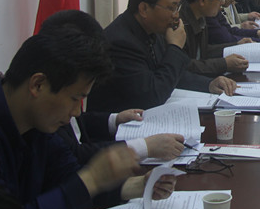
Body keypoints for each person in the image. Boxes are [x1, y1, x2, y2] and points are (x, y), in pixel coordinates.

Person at [0, 11, 177, 209]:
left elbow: (68, 180)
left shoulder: (36, 121)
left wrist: (137, 185)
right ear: (38, 85)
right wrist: (92, 179)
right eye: (75, 99)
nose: (76, 112)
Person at [39, 10, 185, 165]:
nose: (76, 111)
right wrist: (144, 147)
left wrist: (114, 120)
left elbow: (76, 124)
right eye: (171, 7)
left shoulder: (60, 96)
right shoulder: (43, 119)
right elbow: (75, 154)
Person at [87, 0, 236, 113]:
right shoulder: (121, 42)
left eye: (178, 7)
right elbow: (152, 96)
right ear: (144, 9)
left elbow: (175, 74)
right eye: (172, 8)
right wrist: (175, 48)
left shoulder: (153, 29)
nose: (176, 15)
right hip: (121, 125)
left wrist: (209, 84)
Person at [180, 0, 250, 76]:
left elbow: (203, 51)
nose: (223, 2)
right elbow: (185, 65)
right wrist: (224, 64)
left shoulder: (200, 15)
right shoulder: (180, 23)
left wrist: (236, 45)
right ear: (203, 0)